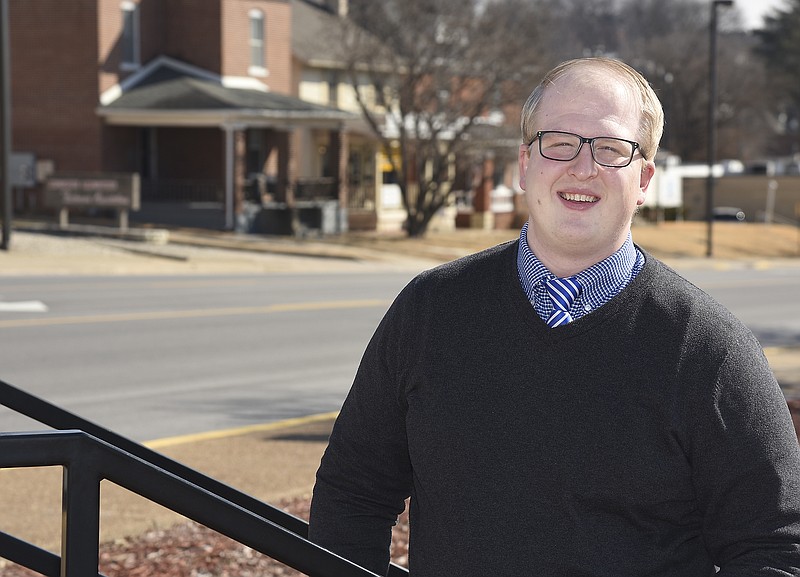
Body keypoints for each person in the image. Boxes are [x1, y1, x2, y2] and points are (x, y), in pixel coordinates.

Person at [308, 57, 800, 576]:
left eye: (611, 149)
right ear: (524, 164)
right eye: (558, 141)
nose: (582, 167)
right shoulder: (431, 312)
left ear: (645, 179)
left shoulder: (706, 350)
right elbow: (352, 493)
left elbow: (774, 548)